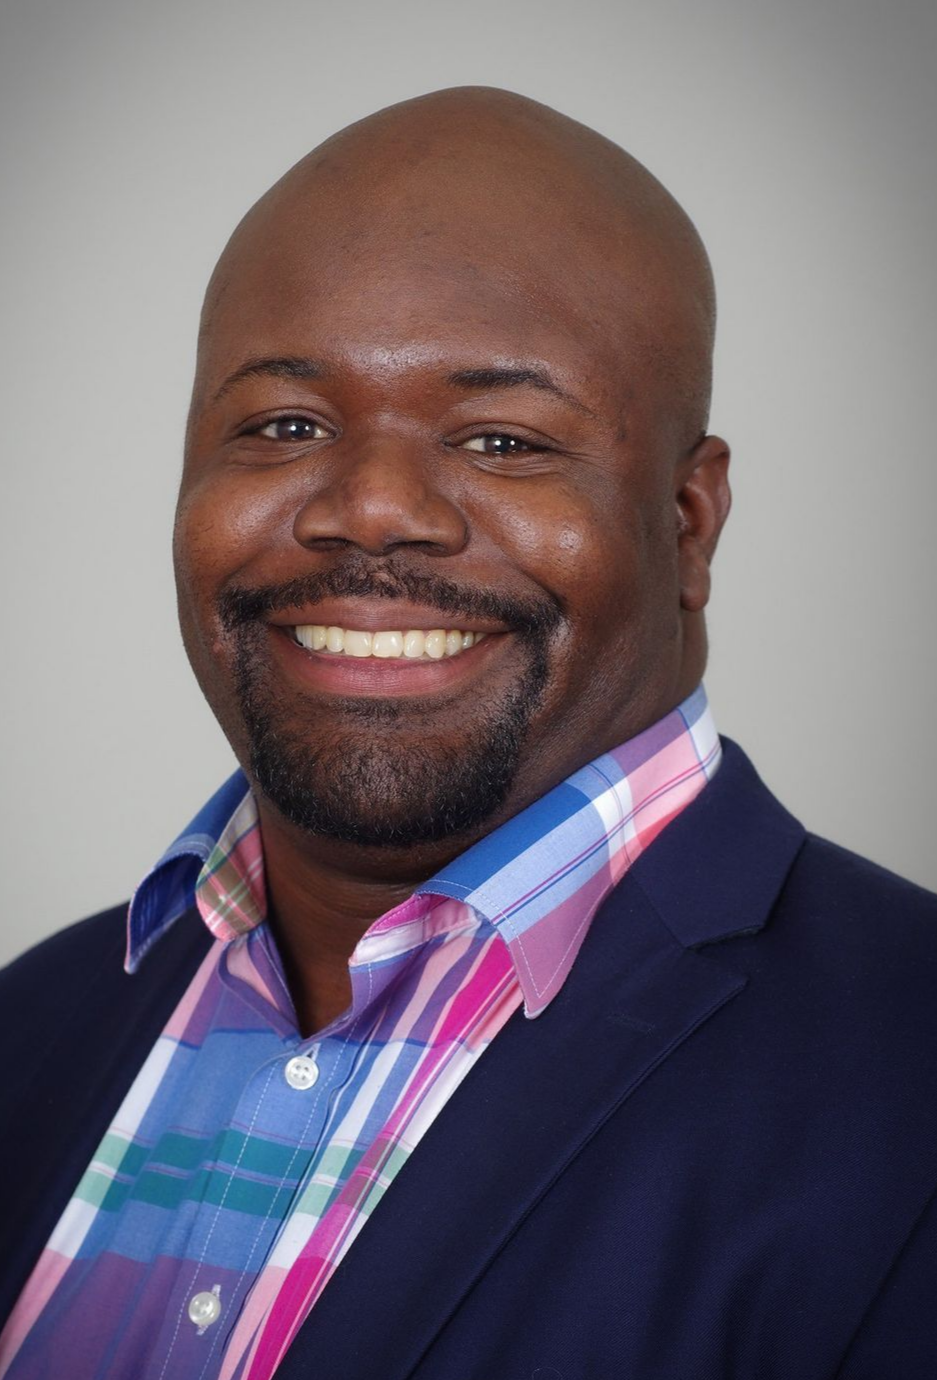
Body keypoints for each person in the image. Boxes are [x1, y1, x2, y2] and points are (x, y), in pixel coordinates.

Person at [1, 86, 935, 1380]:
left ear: (689, 523)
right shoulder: (28, 1028)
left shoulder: (909, 1076)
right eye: (284, 425)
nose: (372, 509)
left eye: (501, 438)